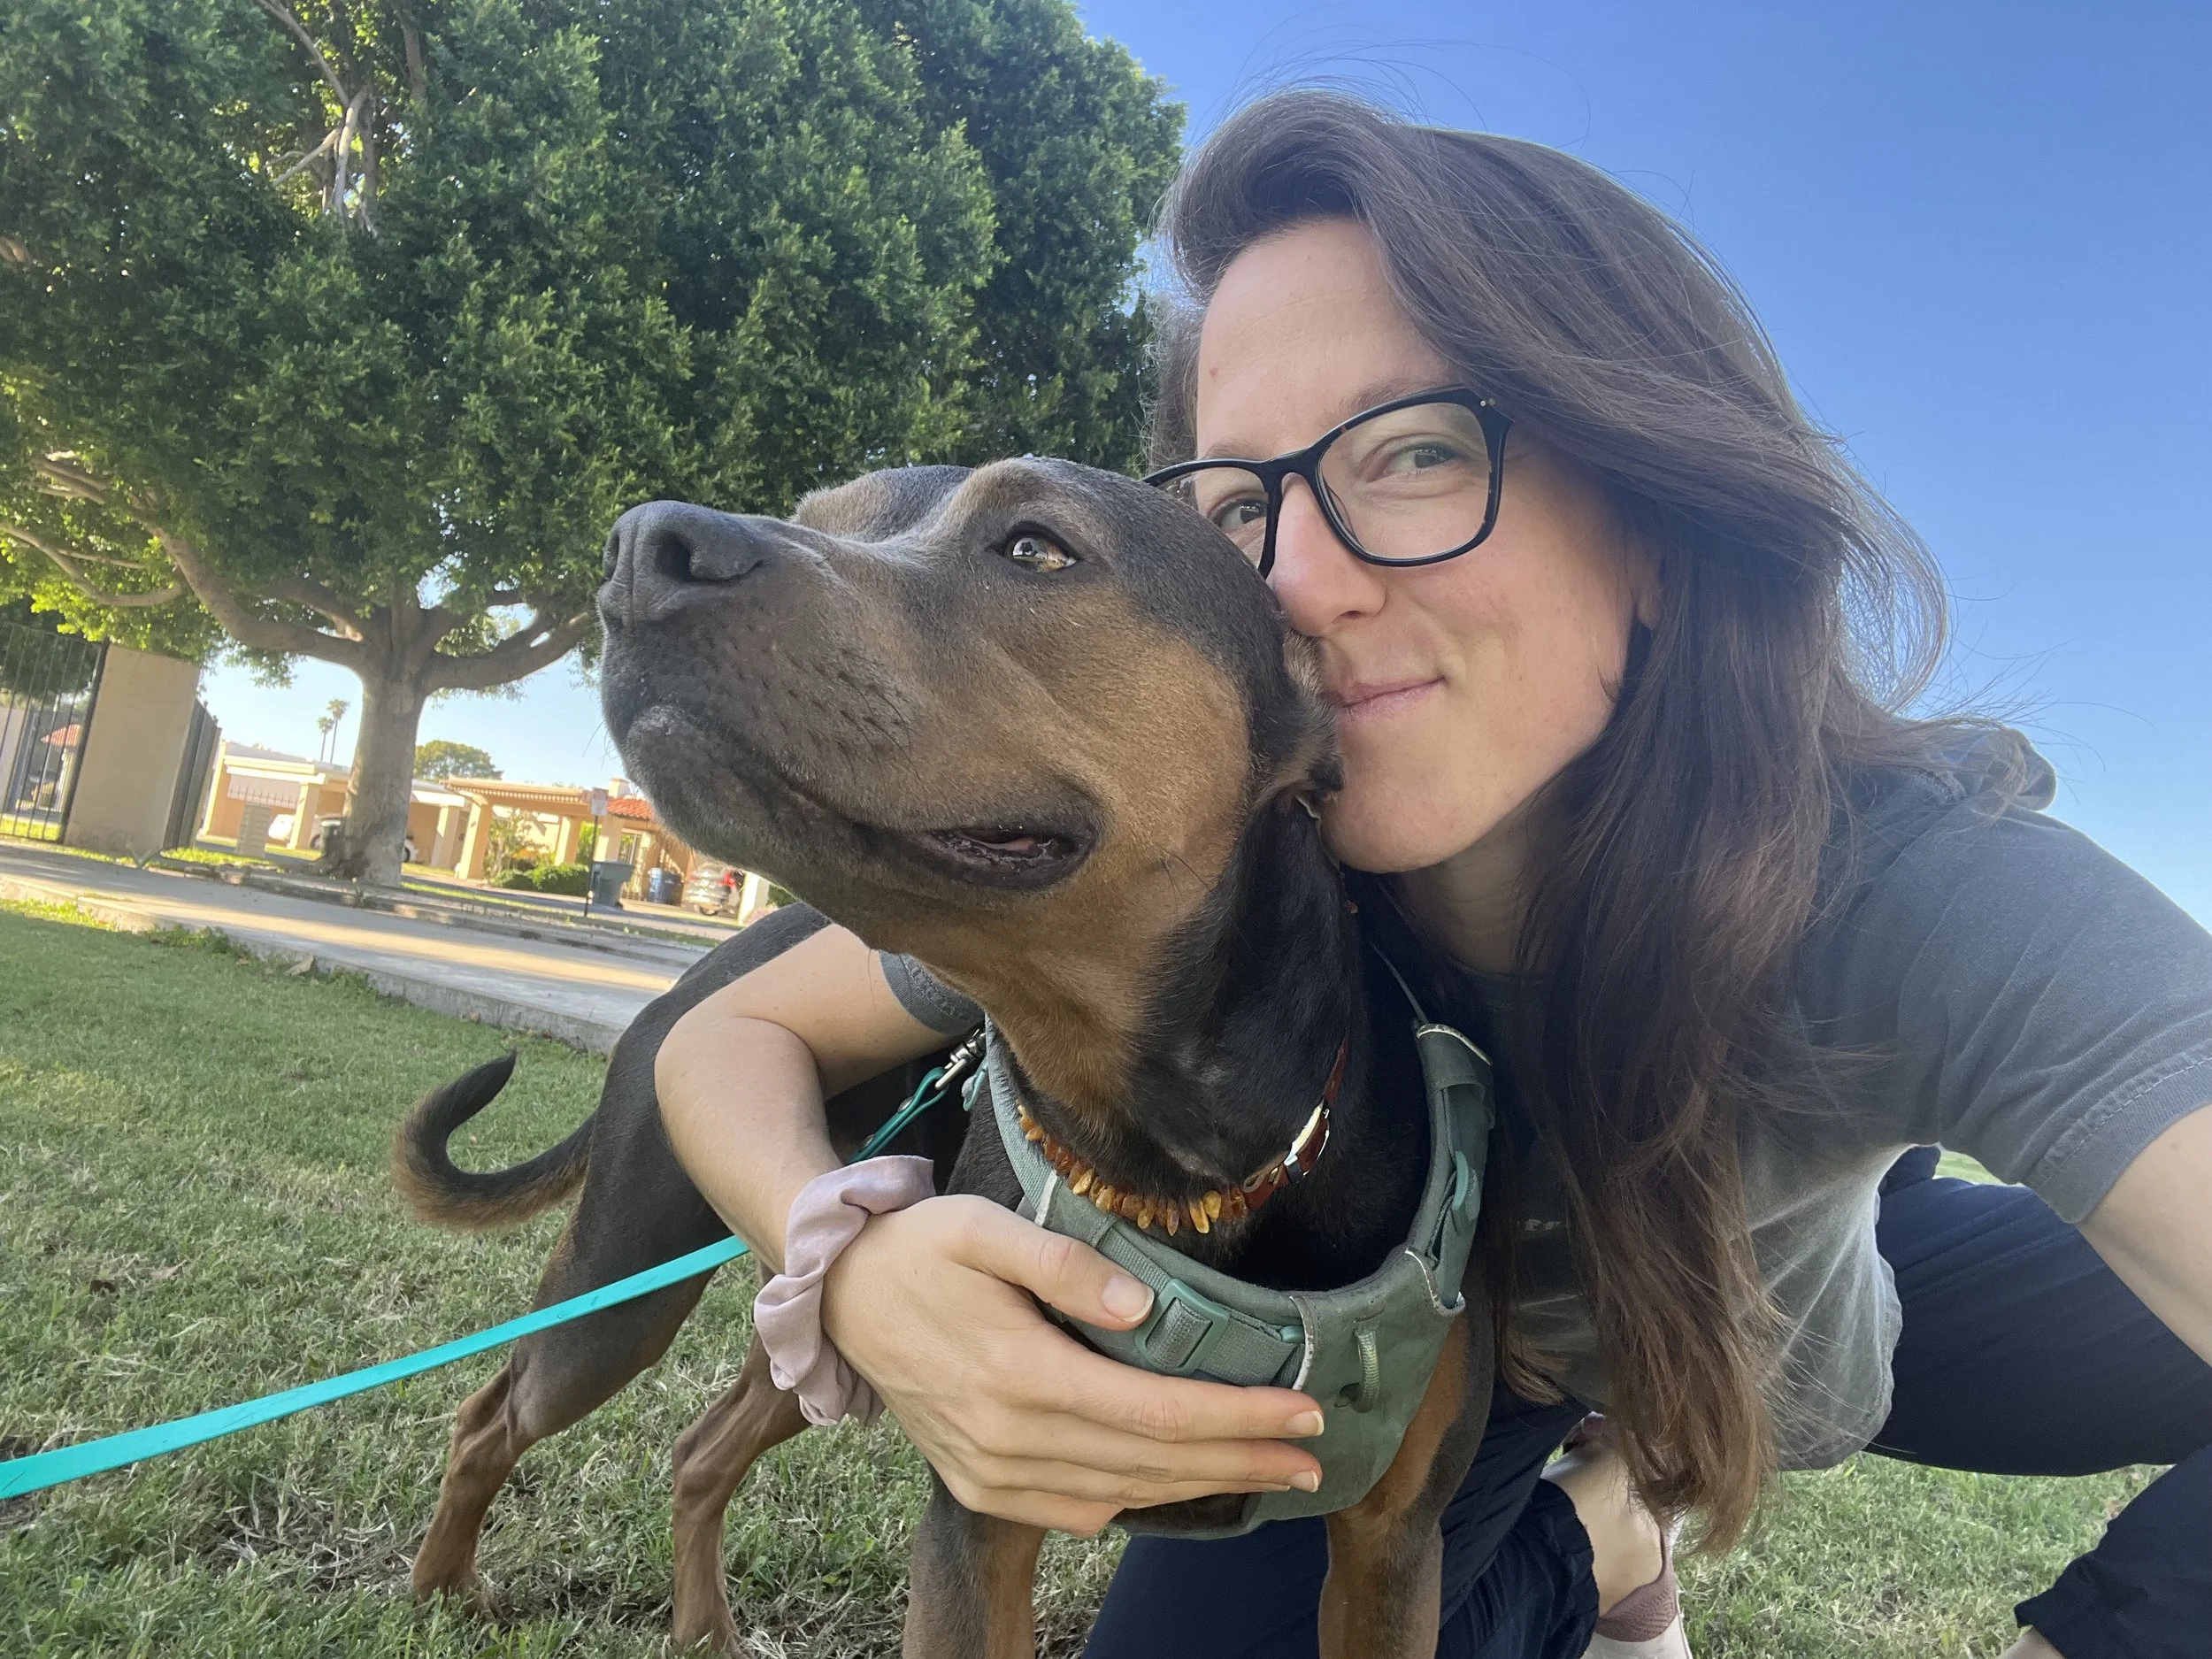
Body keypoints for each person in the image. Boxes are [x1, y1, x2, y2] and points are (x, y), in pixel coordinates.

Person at [651, 91, 2212, 1658]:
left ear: (1661, 525)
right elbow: (730, 1034)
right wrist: (848, 1266)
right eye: (1233, 509)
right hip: (1474, 1370)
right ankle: (1603, 1536)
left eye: (1412, 452)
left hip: (1800, 1323)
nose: (1301, 586)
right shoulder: (1211, 864)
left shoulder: (1898, 888)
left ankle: (1637, 1500)